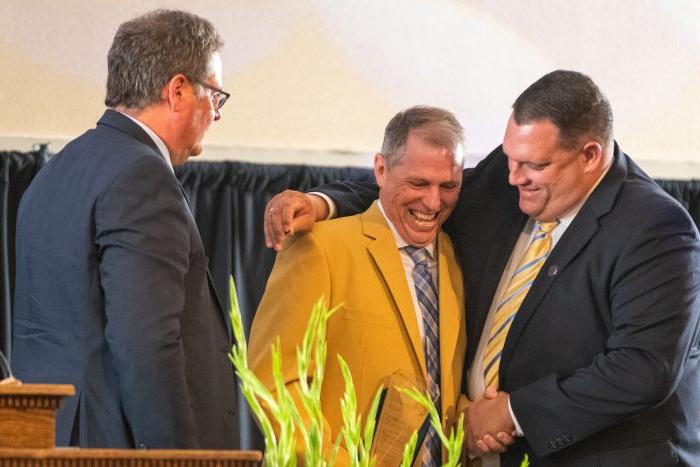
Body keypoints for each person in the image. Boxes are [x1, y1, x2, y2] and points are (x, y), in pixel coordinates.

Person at [263, 71, 700, 466]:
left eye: (535, 165)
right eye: (510, 157)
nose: (513, 177)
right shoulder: (516, 176)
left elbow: (642, 370)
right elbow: (417, 185)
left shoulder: (656, 228)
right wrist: (325, 202)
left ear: (589, 155)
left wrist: (512, 413)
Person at [12, 9, 237, 449]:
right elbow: (146, 343)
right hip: (118, 447)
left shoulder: (57, 169)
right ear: (177, 90)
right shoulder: (142, 176)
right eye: (215, 95)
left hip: (49, 440)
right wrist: (180, 459)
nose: (216, 113)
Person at [249, 106, 468, 464]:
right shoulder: (320, 247)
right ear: (381, 169)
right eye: (418, 183)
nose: (433, 201)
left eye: (448, 186)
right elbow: (274, 382)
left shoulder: (457, 261)